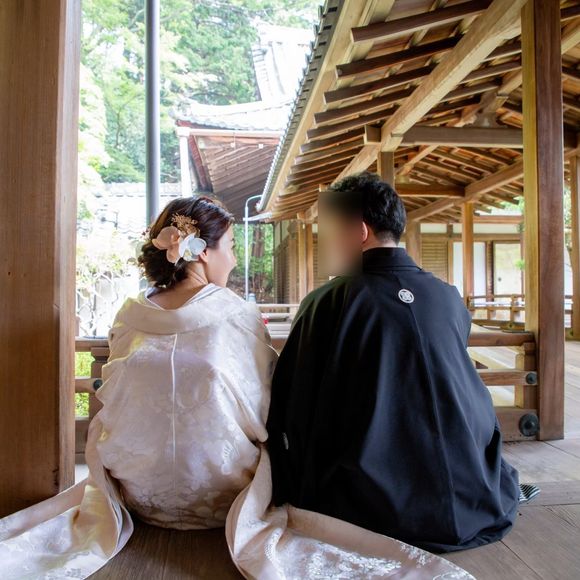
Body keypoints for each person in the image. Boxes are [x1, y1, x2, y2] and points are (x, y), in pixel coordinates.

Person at [0, 195, 472, 579]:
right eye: (229, 245)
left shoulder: (130, 315)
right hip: (222, 497)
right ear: (202, 252)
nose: (234, 257)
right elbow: (267, 401)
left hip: (139, 492)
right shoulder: (235, 313)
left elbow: (114, 397)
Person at [267, 173, 521, 554]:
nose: (327, 244)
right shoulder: (447, 296)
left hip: (372, 502)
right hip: (469, 487)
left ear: (359, 231)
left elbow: (294, 404)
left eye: (331, 232)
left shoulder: (326, 302)